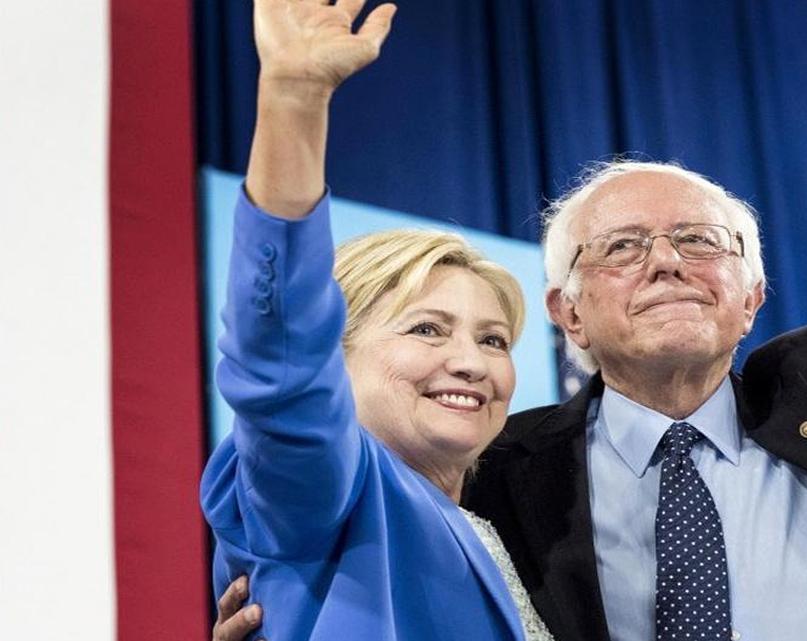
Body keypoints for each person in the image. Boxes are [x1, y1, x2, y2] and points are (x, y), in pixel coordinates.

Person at [211, 12, 807, 641]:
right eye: (620, 247)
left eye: (701, 240)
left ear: (753, 294)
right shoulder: (496, 479)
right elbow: (291, 417)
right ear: (567, 314)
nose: (665, 260)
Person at [200, 0, 554, 639]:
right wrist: (295, 98)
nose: (472, 362)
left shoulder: (494, 532)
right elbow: (279, 358)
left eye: (494, 340)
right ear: (335, 356)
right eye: (427, 328)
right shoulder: (323, 488)